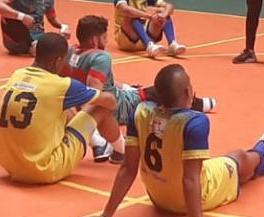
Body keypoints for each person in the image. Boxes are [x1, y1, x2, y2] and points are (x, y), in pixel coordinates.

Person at [71, 64, 264, 217]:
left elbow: (128, 168)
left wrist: (105, 215)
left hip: (157, 195)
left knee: (218, 162)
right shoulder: (194, 122)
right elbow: (190, 180)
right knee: (237, 159)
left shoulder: (139, 113)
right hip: (185, 200)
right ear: (188, 92)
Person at [68, 15, 216, 164]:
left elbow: (90, 83)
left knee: (138, 90)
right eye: (105, 38)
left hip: (93, 103)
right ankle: (196, 104)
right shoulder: (101, 57)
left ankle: (108, 145)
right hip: (116, 106)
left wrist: (126, 87)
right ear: (95, 40)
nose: (106, 41)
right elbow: (95, 90)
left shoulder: (71, 52)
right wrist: (92, 125)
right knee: (163, 88)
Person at [0, 33, 122, 184]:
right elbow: (110, 102)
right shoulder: (62, 86)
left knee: (59, 106)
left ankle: (97, 143)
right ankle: (121, 151)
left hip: (9, 164)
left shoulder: (16, 75)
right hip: (43, 169)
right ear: (58, 61)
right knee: (100, 107)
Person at [112, 0, 187, 58]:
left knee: (162, 11)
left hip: (142, 37)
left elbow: (169, 6)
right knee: (131, 16)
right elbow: (126, 10)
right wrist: (149, 16)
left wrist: (163, 15)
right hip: (126, 39)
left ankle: (172, 44)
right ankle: (149, 45)